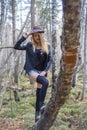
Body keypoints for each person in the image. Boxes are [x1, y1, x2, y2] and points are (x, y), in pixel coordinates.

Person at [14, 26, 52, 122]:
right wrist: (24, 37)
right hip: (32, 70)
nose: (36, 38)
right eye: (34, 36)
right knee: (45, 82)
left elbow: (50, 60)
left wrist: (45, 71)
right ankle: (42, 104)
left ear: (41, 36)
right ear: (33, 37)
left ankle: (37, 117)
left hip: (42, 71)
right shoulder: (29, 45)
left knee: (39, 94)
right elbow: (16, 46)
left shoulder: (47, 46)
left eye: (38, 36)